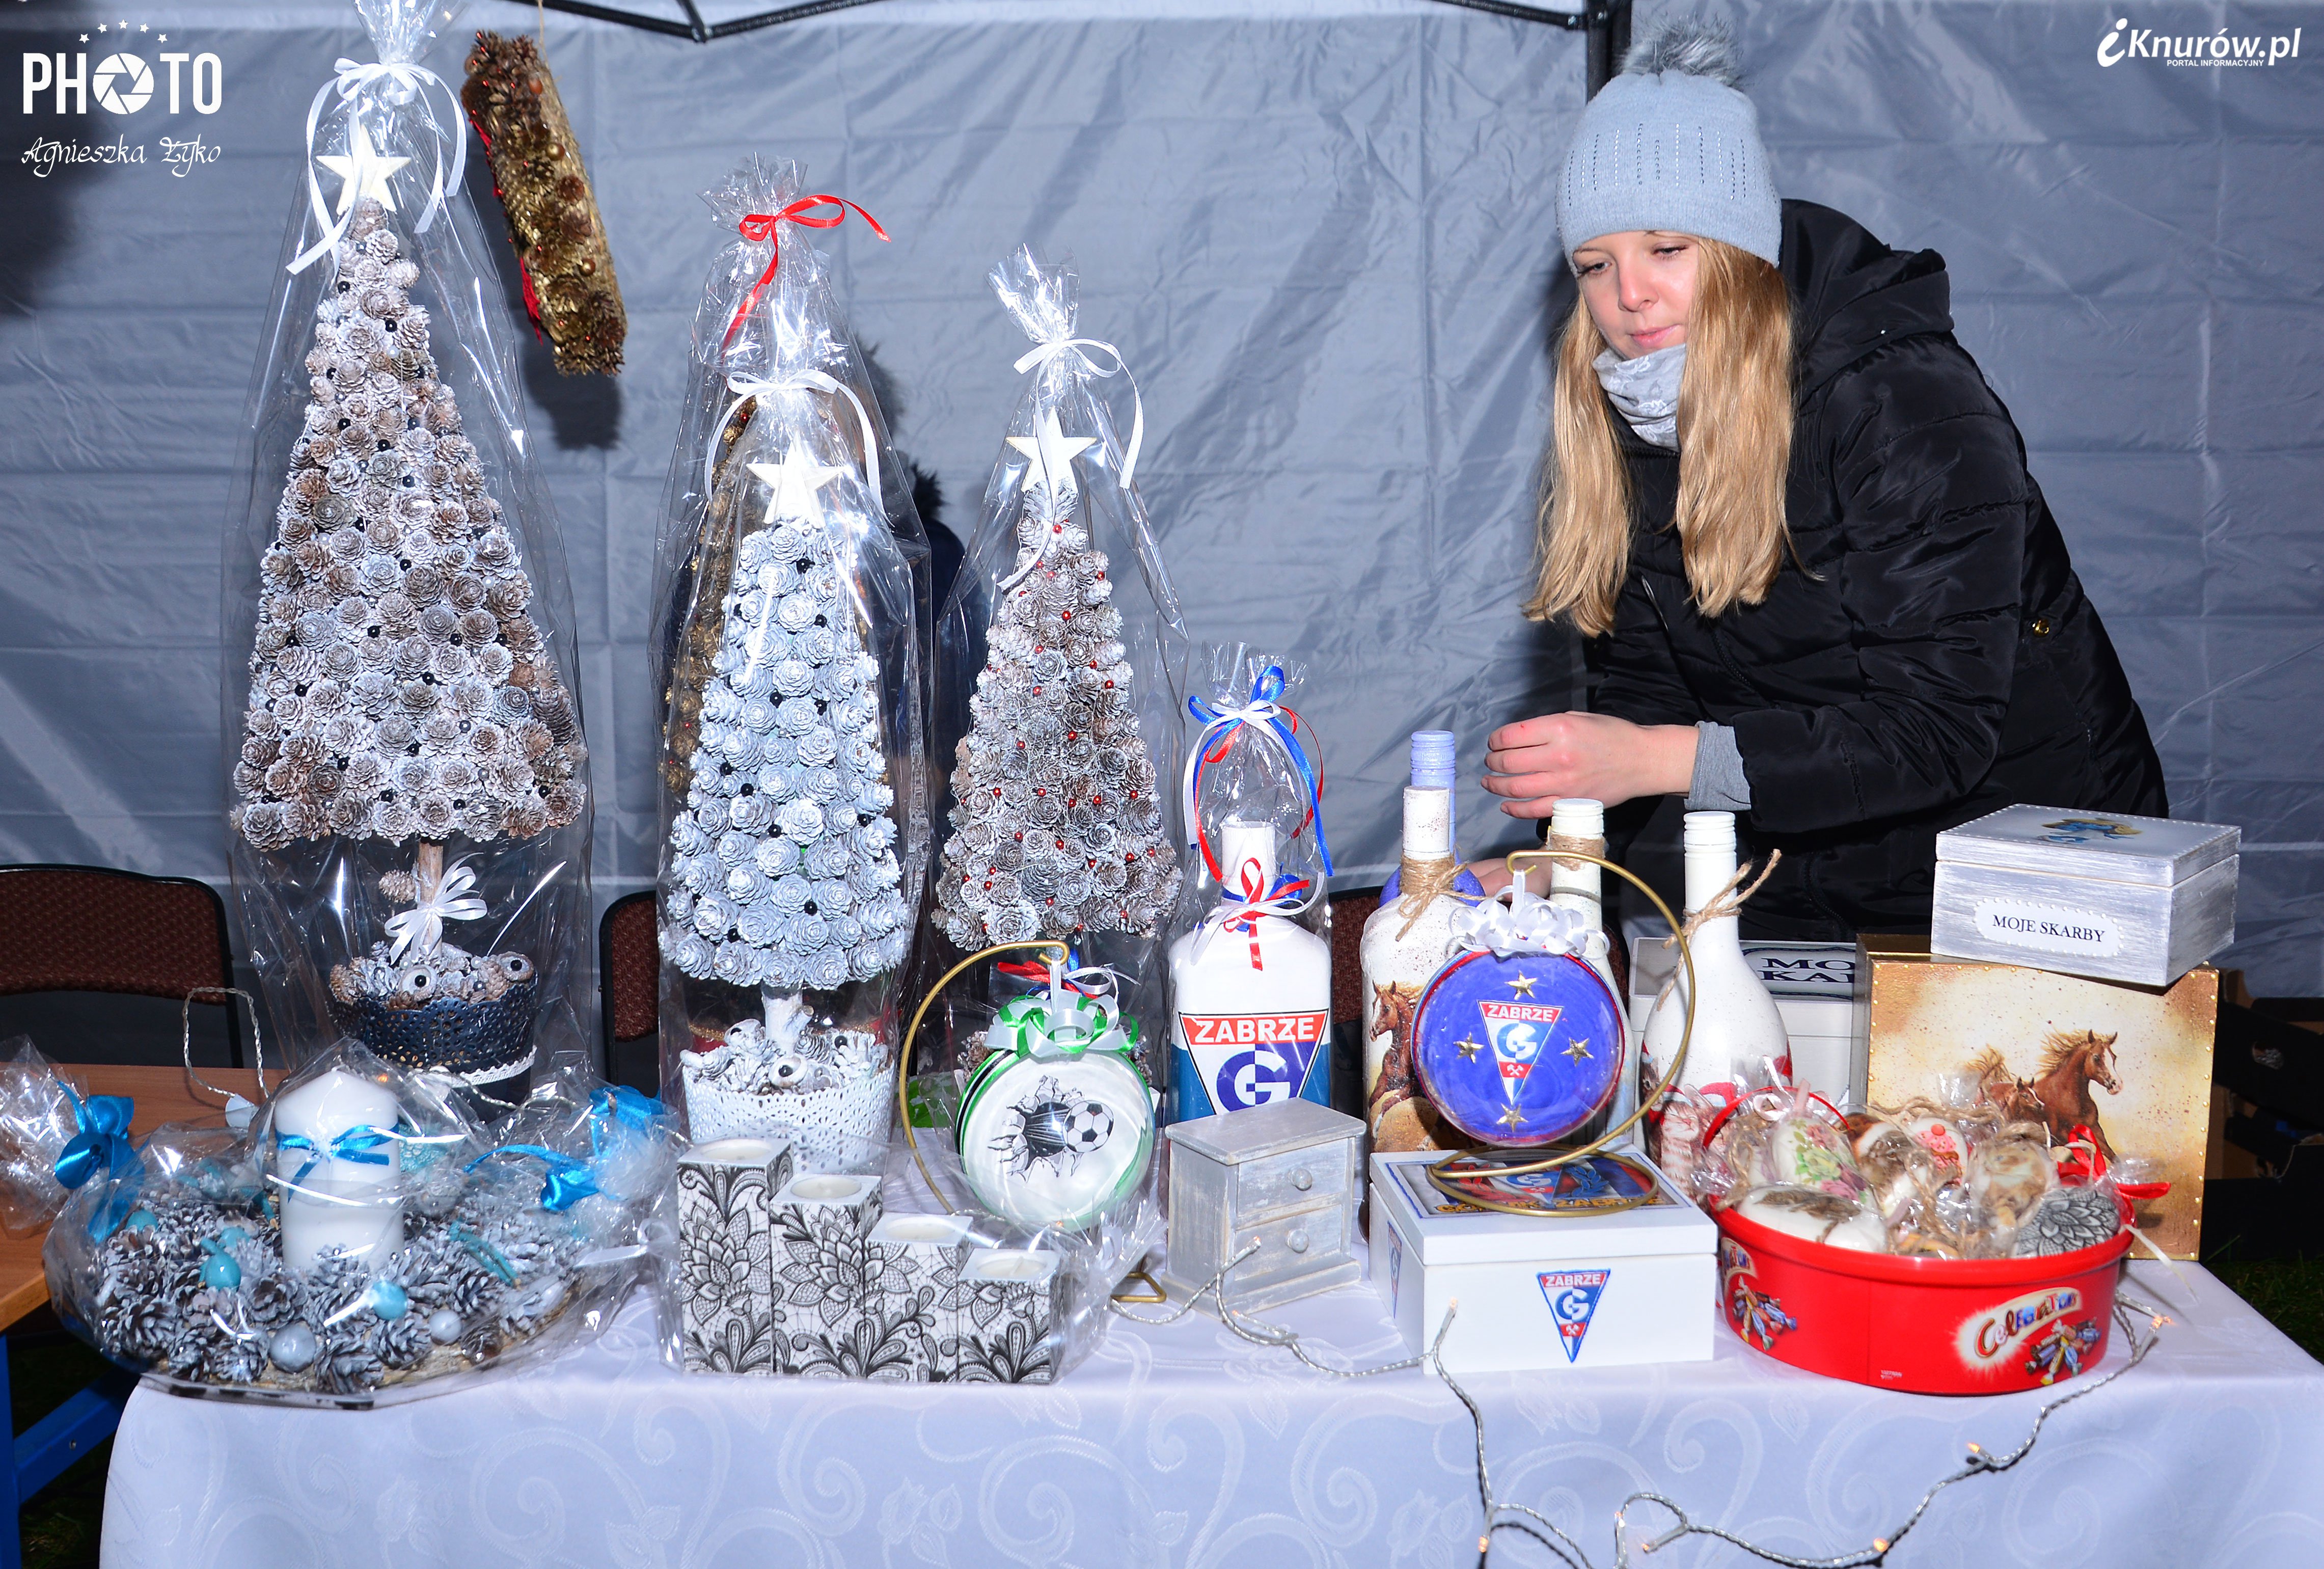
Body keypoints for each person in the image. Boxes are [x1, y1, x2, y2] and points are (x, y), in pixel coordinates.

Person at [1479, 22, 2167, 938]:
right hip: (1812, 850)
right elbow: (1647, 690)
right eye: (1594, 266)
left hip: (2026, 861)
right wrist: (1563, 861)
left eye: (1666, 250)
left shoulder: (1904, 402)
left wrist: (1653, 759)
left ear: (1740, 252)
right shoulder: (1640, 406)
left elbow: (1938, 733)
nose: (1627, 296)